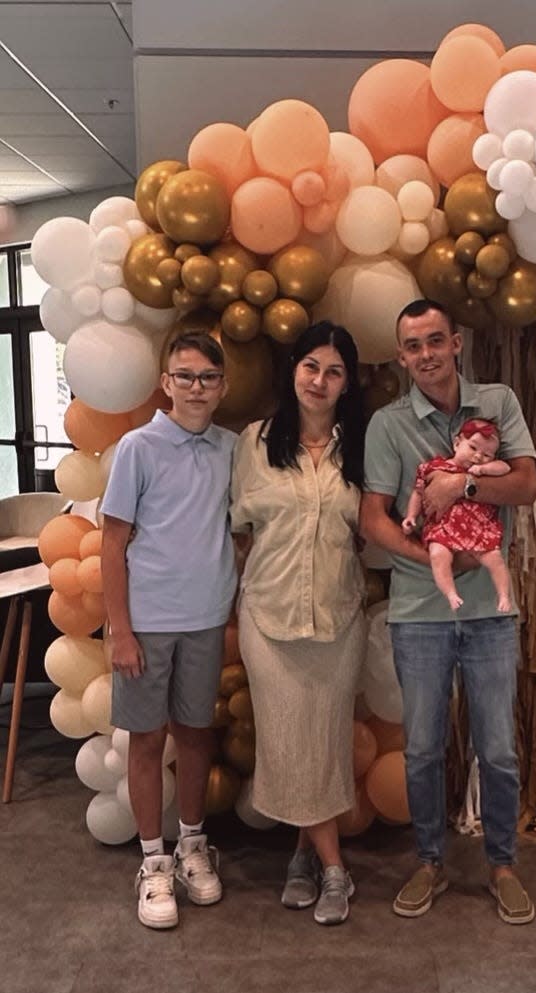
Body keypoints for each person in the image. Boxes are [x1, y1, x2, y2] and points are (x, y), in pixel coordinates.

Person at [360, 298, 536, 925]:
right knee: (422, 750)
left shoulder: (497, 403)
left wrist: (461, 486)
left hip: (491, 611)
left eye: (436, 340)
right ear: (402, 355)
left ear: (456, 342)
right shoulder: (387, 425)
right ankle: (430, 860)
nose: (426, 355)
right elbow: (372, 515)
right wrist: (428, 555)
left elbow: (526, 484)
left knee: (498, 748)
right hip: (418, 610)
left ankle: (503, 865)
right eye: (413, 346)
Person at [230, 321, 367, 926]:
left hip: (339, 617)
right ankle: (336, 869)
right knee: (287, 743)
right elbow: (239, 533)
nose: (320, 380)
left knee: (326, 742)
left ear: (347, 382)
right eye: (311, 366)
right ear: (293, 370)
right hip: (268, 615)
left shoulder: (363, 445)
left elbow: (380, 529)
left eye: (334, 371)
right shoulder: (255, 441)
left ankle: (300, 857)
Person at [101, 331, 237, 930]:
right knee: (148, 739)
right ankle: (152, 861)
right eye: (184, 376)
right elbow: (111, 542)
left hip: (206, 619)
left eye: (208, 378)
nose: (196, 388)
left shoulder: (233, 448)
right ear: (166, 383)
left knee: (197, 732)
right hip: (148, 623)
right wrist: (120, 628)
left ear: (223, 386)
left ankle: (191, 845)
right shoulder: (138, 447)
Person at [402, 417, 512, 612]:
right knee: (438, 556)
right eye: (472, 448)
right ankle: (450, 594)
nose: (478, 456)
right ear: (457, 443)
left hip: (477, 526)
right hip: (443, 527)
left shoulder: (481, 471)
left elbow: (505, 468)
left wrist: (484, 469)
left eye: (487, 454)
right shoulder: (434, 467)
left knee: (495, 559)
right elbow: (418, 493)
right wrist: (411, 516)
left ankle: (503, 595)